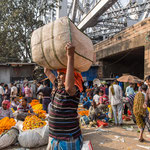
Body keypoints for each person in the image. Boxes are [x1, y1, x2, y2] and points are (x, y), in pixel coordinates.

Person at [45, 42, 83, 150]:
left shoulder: (74, 90)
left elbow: (68, 87)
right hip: (54, 138)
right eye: (58, 73)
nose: (59, 76)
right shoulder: (58, 87)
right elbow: (47, 71)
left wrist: (70, 56)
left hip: (68, 140)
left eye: (62, 74)